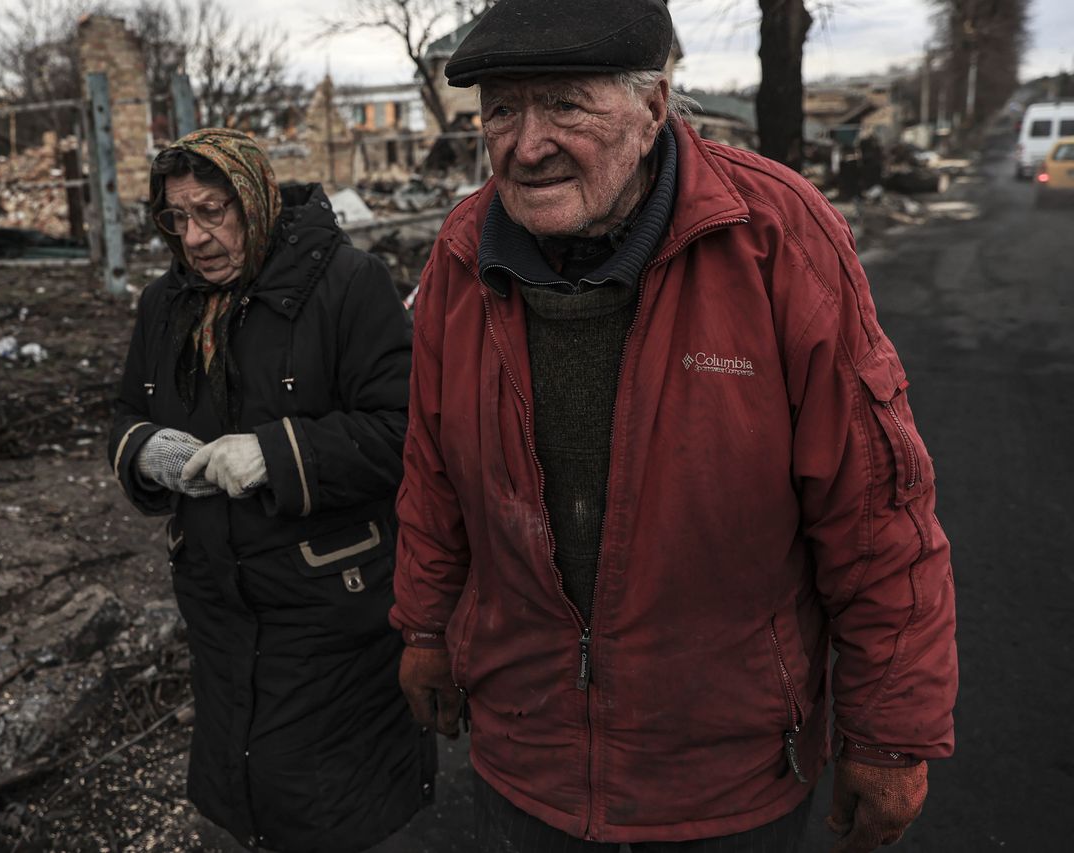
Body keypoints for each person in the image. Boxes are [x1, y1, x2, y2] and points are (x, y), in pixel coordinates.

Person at [390, 1, 958, 851]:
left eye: (566, 104)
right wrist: (427, 630)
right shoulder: (463, 254)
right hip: (527, 759)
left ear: (654, 108)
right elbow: (432, 471)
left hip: (726, 777)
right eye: (503, 108)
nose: (525, 142)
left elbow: (876, 511)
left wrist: (889, 733)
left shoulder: (776, 239)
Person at [109, 129, 429, 853]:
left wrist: (275, 454)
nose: (195, 236)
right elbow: (127, 412)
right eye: (176, 217)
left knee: (330, 801)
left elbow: (405, 429)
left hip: (330, 603)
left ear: (255, 201)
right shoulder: (167, 305)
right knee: (244, 781)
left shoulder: (348, 285)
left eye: (213, 211)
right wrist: (144, 451)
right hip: (219, 602)